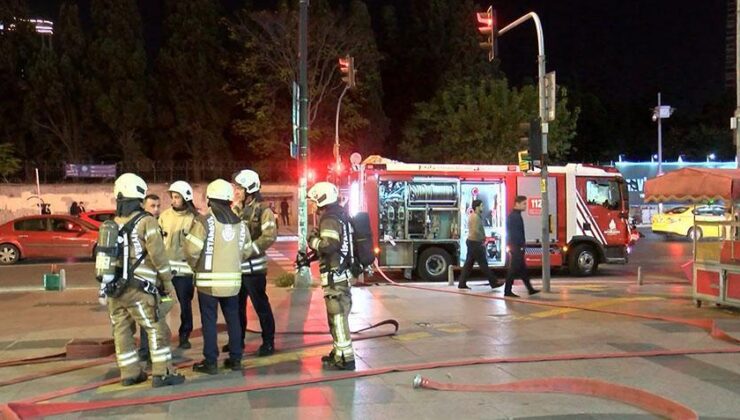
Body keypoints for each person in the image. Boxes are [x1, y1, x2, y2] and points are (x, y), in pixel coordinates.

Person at [100, 173, 185, 388]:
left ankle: (129, 373)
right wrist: (167, 283)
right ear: (139, 196)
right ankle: (162, 373)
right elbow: (158, 256)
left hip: (114, 290)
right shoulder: (146, 221)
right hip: (139, 290)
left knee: (122, 329)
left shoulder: (112, 223)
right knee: (157, 328)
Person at [185, 179, 252, 374]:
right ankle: (236, 359)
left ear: (209, 199)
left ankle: (211, 361)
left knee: (209, 321)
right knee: (234, 319)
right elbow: (246, 251)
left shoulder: (204, 221)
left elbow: (191, 250)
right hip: (233, 283)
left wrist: (195, 267)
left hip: (208, 283)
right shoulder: (241, 224)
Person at [305, 181, 356, 370]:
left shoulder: (329, 218)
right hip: (342, 273)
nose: (312, 204)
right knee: (336, 317)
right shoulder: (340, 215)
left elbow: (329, 245)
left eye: (314, 200)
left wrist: (312, 241)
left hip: (335, 276)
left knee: (338, 317)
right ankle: (338, 352)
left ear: (321, 199)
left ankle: (346, 358)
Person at [228, 169, 277, 357]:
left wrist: (248, 251)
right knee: (237, 308)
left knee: (261, 307)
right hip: (237, 269)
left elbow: (269, 236)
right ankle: (237, 341)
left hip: (255, 270)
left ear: (250, 189)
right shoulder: (235, 208)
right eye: (235, 187)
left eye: (239, 188)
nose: (236, 191)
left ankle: (268, 342)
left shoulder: (264, 210)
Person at [158, 181, 198, 350]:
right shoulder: (164, 216)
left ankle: (184, 335)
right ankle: (161, 335)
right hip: (166, 271)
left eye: (176, 197)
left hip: (185, 272)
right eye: (172, 197)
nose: (173, 200)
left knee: (185, 305)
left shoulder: (194, 219)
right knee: (162, 303)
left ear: (186, 198)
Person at [457, 199, 503, 290]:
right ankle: (494, 282)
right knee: (483, 264)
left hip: (472, 242)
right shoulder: (475, 217)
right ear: (477, 207)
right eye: (481, 206)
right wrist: (483, 239)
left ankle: (462, 283)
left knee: (468, 264)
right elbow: (475, 231)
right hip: (475, 243)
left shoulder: (474, 216)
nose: (483, 207)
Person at [504, 195, 540, 298]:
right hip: (516, 246)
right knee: (513, 269)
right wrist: (520, 246)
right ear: (517, 204)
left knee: (522, 269)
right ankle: (507, 291)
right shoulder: (515, 217)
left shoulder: (515, 215)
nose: (525, 206)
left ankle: (530, 289)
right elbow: (516, 234)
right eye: (524, 204)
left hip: (516, 246)